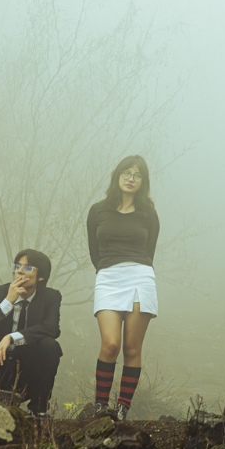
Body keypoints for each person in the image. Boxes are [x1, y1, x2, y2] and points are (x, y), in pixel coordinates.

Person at [86, 155, 160, 421]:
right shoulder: (98, 210)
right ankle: (100, 406)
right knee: (110, 344)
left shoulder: (148, 214)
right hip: (108, 277)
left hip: (140, 277)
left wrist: (136, 268)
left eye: (137, 175)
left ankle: (122, 410)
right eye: (127, 173)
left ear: (143, 182)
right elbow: (94, 251)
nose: (131, 178)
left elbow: (150, 251)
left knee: (131, 348)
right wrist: (108, 268)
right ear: (117, 176)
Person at [0, 249, 62, 417]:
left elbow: (51, 328)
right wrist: (7, 302)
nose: (19, 271)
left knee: (50, 346)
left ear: (41, 276)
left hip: (29, 369)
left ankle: (39, 412)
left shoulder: (50, 297)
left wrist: (11, 337)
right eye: (17, 266)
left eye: (27, 267)